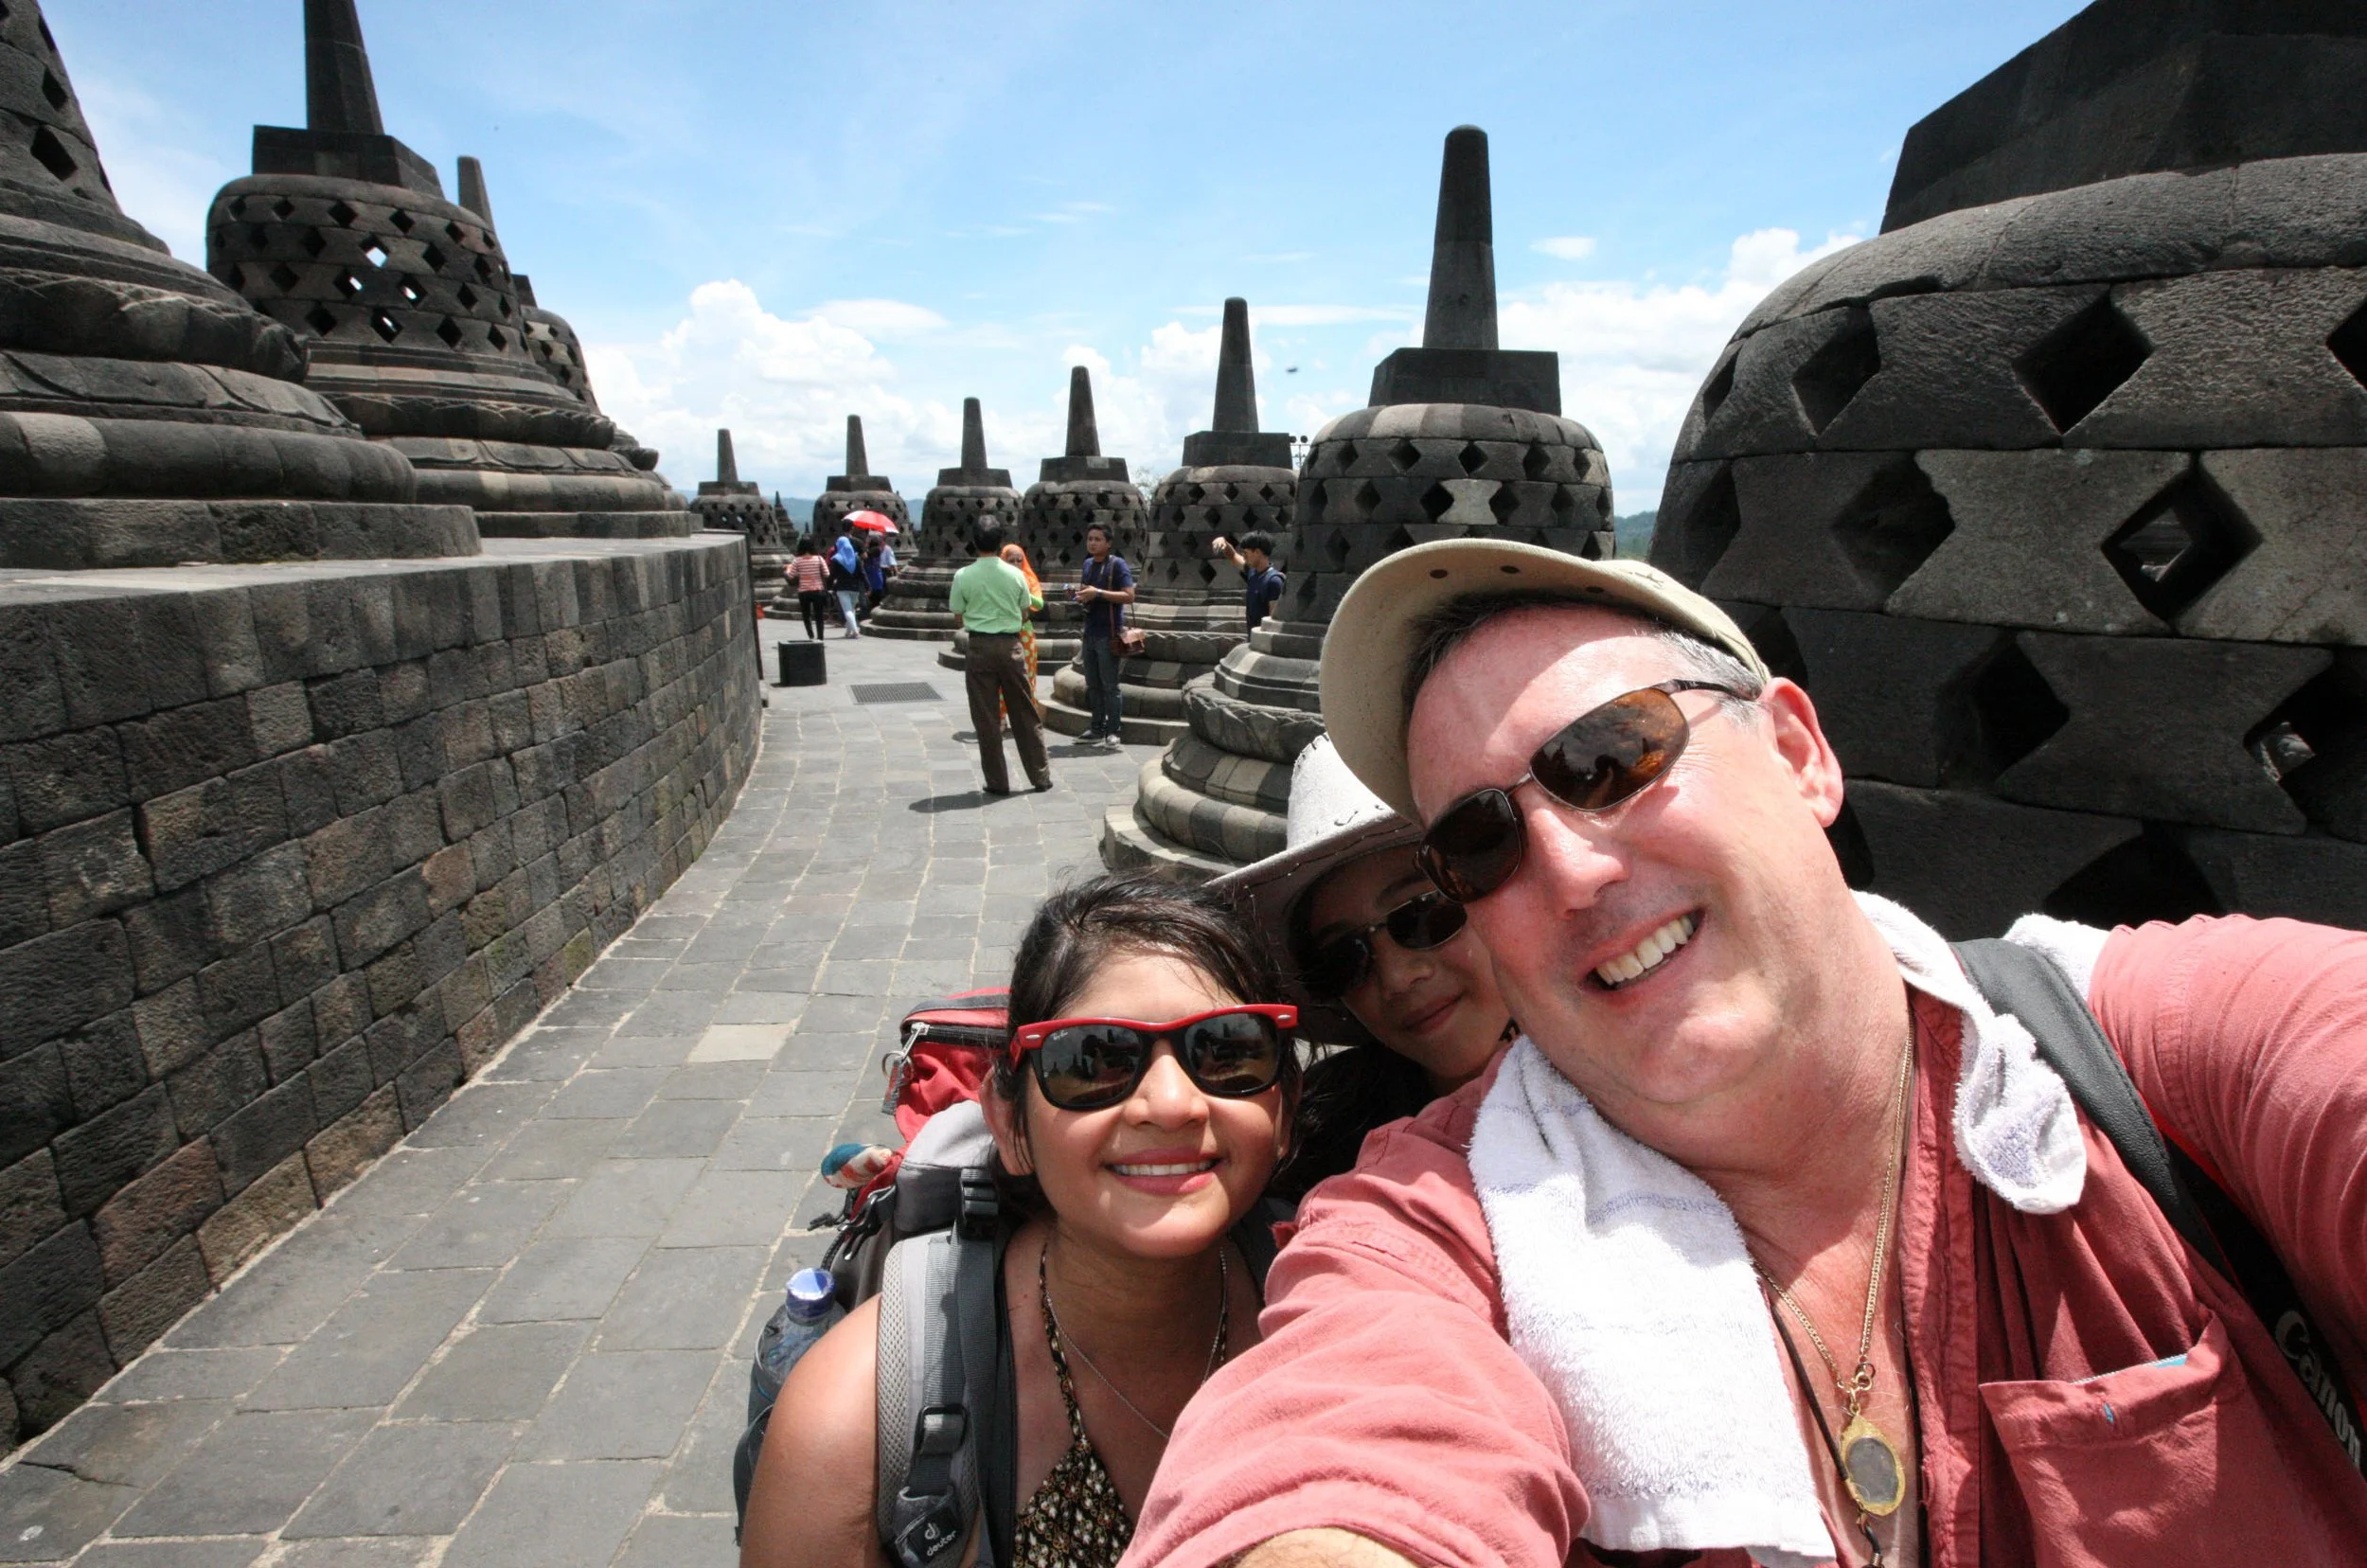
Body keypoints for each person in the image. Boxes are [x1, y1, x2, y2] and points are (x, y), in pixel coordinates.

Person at [1132, 537, 2367, 1567]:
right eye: (1481, 845)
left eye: (1610, 759)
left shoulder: (2131, 1057)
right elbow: (1341, 1447)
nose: (1569, 868)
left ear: (1796, 752)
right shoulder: (1431, 1216)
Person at [740, 877, 1300, 1568]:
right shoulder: (852, 1415)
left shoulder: (1345, 1308)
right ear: (1010, 1123)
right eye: (1093, 1060)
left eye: (1226, 1050)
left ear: (1284, 1108)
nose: (1171, 1104)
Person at [1210, 735, 1513, 1200]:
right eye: (1343, 958)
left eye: (1423, 915)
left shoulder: (1635, 1079)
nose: (1396, 978)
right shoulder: (1317, 1146)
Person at [951, 524, 1053, 795]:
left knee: (986, 717)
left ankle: (997, 781)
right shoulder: (1015, 575)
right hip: (1011, 646)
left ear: (974, 542)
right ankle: (1040, 776)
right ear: (1000, 544)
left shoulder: (963, 575)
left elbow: (958, 615)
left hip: (979, 647)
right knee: (1024, 711)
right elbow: (1024, 613)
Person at [1077, 521, 1137, 744]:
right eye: (1090, 539)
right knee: (1093, 683)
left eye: (1097, 539)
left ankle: (1113, 730)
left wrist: (1099, 593)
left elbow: (1129, 596)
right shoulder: (1087, 565)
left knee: (1110, 685)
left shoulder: (1117, 565)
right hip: (1090, 631)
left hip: (1109, 633)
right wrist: (1077, 596)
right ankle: (1096, 728)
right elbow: (1086, 594)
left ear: (1108, 543)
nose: (1092, 543)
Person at [1002, 541, 1045, 726]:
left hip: (1025, 631)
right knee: (1003, 677)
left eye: (1019, 560)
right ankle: (1001, 716)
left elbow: (1039, 604)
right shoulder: (999, 580)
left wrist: (1023, 589)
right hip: (1004, 631)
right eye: (1011, 561)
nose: (1016, 564)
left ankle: (1025, 716)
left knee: (1027, 675)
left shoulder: (1029, 579)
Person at [1211, 529, 1285, 637]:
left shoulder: (1274, 581)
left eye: (1246, 553)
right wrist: (1223, 542)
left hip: (1262, 642)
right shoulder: (1252, 573)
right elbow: (1233, 556)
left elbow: (1272, 622)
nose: (1244, 556)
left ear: (1258, 552)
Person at [788, 540, 830, 641]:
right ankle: (820, 637)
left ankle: (811, 635)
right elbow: (827, 574)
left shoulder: (797, 560)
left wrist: (788, 570)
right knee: (819, 615)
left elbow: (790, 576)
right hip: (818, 590)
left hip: (804, 591)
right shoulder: (819, 559)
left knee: (806, 615)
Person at [828, 529, 863, 638]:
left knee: (847, 610)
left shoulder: (837, 559)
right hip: (855, 588)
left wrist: (828, 586)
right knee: (851, 609)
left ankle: (855, 631)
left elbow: (832, 575)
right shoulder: (856, 558)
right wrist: (867, 586)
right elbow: (862, 574)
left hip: (842, 588)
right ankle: (849, 632)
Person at [863, 536, 889, 613]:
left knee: (875, 597)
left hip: (874, 577)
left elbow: (866, 554)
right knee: (872, 598)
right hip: (872, 576)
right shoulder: (875, 549)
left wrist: (865, 545)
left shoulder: (876, 549)